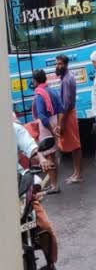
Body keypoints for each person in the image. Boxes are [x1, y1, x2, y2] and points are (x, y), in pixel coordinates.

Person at [13, 113, 58, 266]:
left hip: (17, 184)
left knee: (44, 227)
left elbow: (31, 147)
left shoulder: (12, 129)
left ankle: (50, 263)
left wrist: (42, 159)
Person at [31, 69, 64, 194]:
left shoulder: (40, 94)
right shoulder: (52, 91)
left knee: (47, 155)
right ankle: (54, 184)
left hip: (47, 127)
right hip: (55, 121)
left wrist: (51, 130)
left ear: (35, 80)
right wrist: (58, 126)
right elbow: (61, 109)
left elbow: (42, 116)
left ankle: (54, 185)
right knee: (53, 154)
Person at [55, 55, 83, 184]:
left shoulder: (66, 80)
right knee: (73, 145)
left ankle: (78, 174)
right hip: (69, 113)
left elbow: (66, 105)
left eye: (60, 64)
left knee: (75, 146)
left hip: (68, 115)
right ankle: (76, 173)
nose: (58, 66)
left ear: (66, 65)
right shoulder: (67, 77)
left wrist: (60, 124)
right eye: (57, 63)